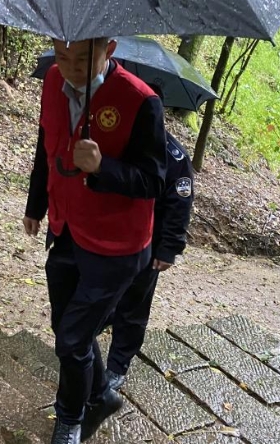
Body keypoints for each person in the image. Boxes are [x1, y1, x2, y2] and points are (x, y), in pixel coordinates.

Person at [23, 38, 166, 444]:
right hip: (66, 228)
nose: (70, 67)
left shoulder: (141, 101)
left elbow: (155, 180)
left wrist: (104, 166)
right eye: (62, 56)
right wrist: (36, 205)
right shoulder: (53, 81)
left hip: (115, 246)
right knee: (66, 328)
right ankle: (101, 395)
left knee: (72, 339)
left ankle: (70, 417)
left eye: (84, 59)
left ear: (110, 48)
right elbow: (46, 147)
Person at [104, 119, 195, 391]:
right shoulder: (117, 141)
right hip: (110, 234)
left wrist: (169, 248)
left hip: (148, 245)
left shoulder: (175, 157)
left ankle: (118, 365)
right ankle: (101, 323)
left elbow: (179, 207)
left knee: (134, 305)